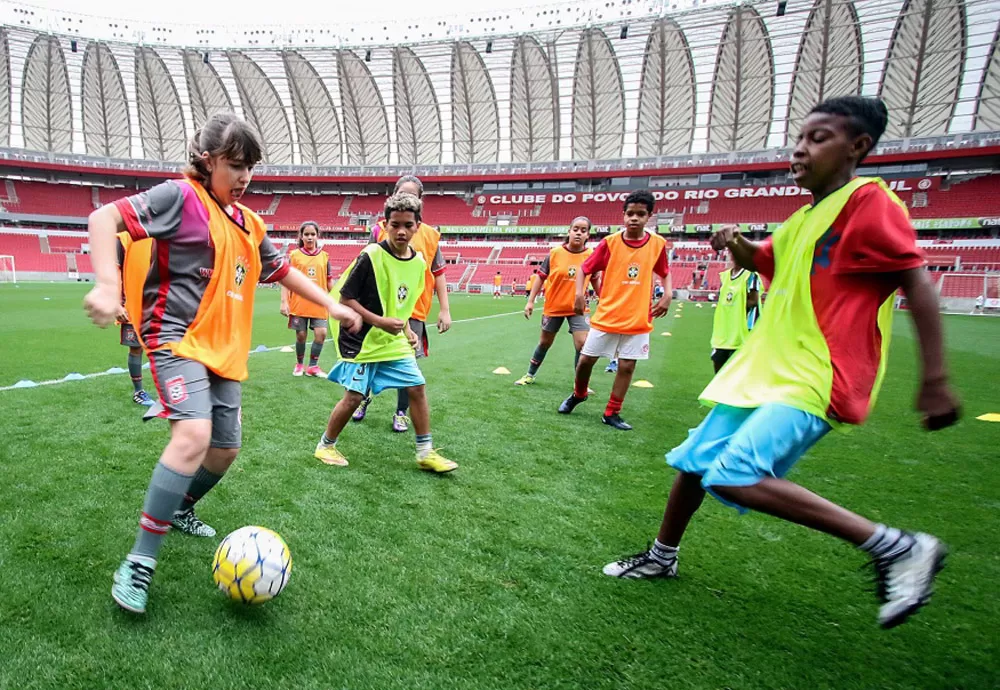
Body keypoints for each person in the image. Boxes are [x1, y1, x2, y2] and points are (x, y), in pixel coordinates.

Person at [601, 97, 960, 630]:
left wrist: (936, 378)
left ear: (857, 147)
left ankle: (896, 546)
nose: (799, 146)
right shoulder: (807, 217)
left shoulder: (869, 203)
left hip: (818, 373)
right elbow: (763, 259)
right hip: (764, 371)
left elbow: (916, 281)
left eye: (819, 138)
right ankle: (662, 556)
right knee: (694, 466)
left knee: (734, 475)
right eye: (800, 135)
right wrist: (735, 243)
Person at [83, 112, 361, 615]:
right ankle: (140, 561)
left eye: (251, 167)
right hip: (175, 339)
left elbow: (281, 271)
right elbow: (104, 219)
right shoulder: (180, 196)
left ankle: (182, 508)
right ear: (207, 161)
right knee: (191, 436)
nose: (245, 178)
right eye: (235, 165)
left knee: (225, 451)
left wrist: (332, 305)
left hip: (225, 352)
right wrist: (107, 285)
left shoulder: (250, 223)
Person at [315, 192, 457, 473]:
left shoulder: (418, 263)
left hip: (392, 341)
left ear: (418, 225)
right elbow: (345, 299)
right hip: (362, 339)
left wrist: (406, 329)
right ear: (385, 224)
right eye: (395, 225)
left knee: (416, 386)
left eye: (408, 225)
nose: (401, 231)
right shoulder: (371, 256)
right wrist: (379, 322)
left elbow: (399, 304)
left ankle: (425, 452)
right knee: (354, 397)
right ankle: (325, 445)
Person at [558, 191, 671, 430]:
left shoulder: (658, 244)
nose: (634, 219)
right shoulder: (610, 243)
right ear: (623, 215)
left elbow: (664, 271)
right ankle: (579, 394)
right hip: (608, 314)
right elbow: (584, 269)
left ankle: (612, 412)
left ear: (649, 216)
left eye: (640, 214)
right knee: (586, 360)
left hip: (638, 316)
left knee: (628, 365)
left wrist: (668, 293)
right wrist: (579, 294)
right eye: (630, 214)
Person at [351, 175, 451, 431]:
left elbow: (438, 274)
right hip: (381, 310)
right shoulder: (380, 230)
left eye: (413, 195)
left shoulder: (431, 236)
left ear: (421, 201)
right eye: (402, 193)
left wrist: (445, 310)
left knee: (410, 366)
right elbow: (369, 266)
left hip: (414, 311)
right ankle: (364, 399)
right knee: (372, 360)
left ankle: (400, 412)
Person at [515, 217, 600, 386]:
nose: (578, 233)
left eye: (583, 230)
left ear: (588, 235)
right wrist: (530, 301)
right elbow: (540, 277)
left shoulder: (591, 255)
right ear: (569, 231)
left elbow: (595, 279)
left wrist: (603, 299)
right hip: (554, 306)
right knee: (545, 342)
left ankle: (580, 384)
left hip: (578, 308)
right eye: (575, 229)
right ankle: (530, 374)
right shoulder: (555, 253)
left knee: (582, 344)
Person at [281, 221, 334, 377]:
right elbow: (285, 279)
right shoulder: (294, 256)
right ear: (301, 236)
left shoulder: (324, 257)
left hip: (319, 303)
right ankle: (299, 364)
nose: (310, 237)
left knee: (321, 333)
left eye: (313, 234)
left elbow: (329, 281)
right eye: (307, 234)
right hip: (299, 303)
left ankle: (313, 366)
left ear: (317, 236)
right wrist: (284, 302)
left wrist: (337, 299)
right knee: (301, 335)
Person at [116, 231, 154, 407]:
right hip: (133, 304)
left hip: (161, 302)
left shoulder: (166, 230)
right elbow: (114, 269)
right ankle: (138, 391)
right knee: (136, 348)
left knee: (169, 347)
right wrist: (117, 303)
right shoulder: (124, 237)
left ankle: (172, 390)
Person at [709, 261, 761, 373]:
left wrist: (737, 306)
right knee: (718, 367)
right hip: (722, 333)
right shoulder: (725, 276)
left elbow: (753, 300)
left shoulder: (750, 275)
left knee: (737, 372)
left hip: (741, 333)